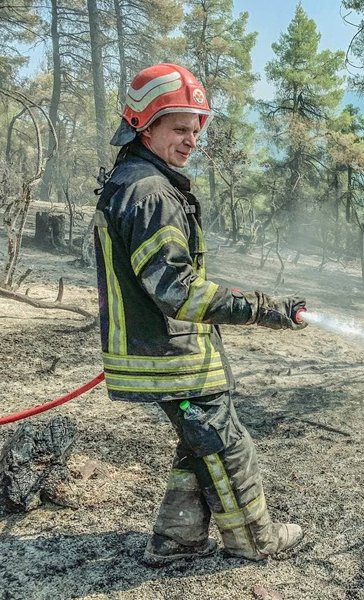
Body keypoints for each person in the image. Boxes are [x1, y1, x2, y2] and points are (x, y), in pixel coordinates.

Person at [94, 63, 307, 567]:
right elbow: (176, 291)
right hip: (170, 356)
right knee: (226, 445)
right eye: (179, 129)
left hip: (165, 352)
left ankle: (176, 540)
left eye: (196, 129)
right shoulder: (151, 194)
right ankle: (255, 540)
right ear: (145, 127)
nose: (192, 140)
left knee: (200, 443)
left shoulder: (136, 182)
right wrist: (265, 308)